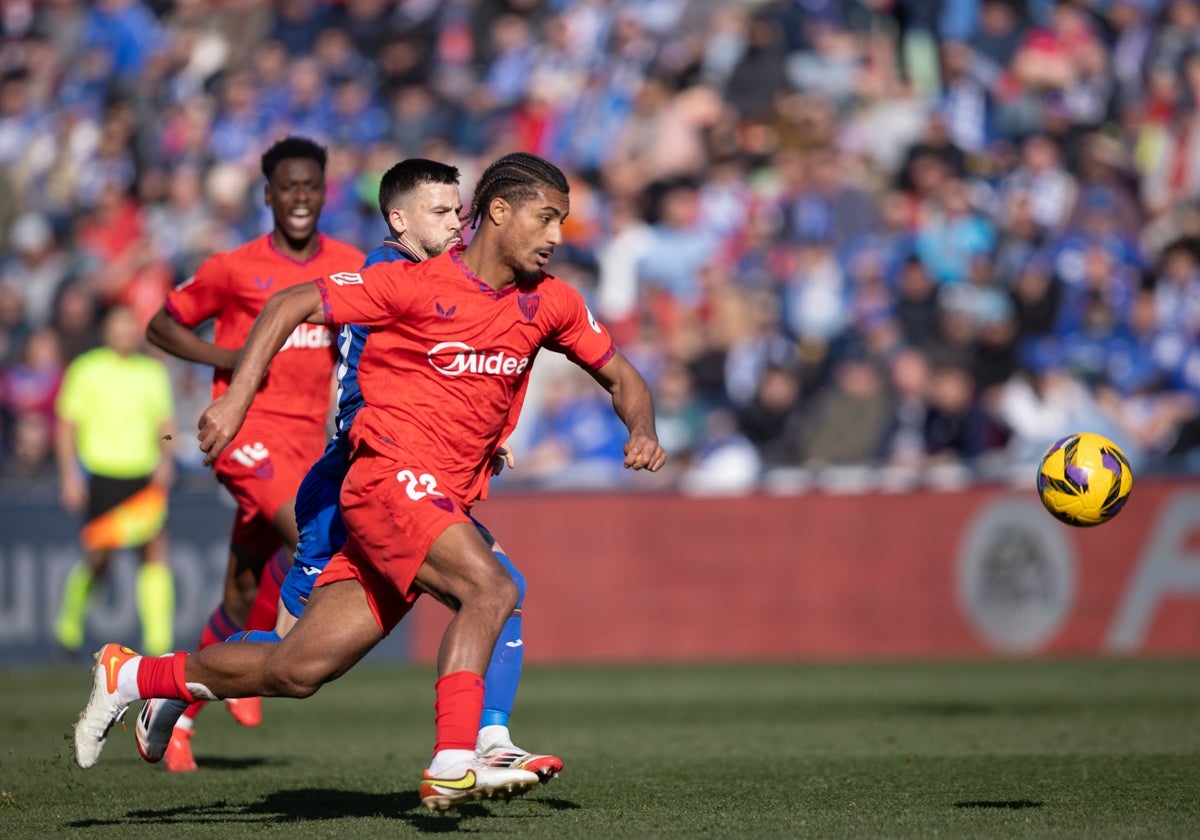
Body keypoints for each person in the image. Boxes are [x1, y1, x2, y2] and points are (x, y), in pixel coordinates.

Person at [74, 151, 667, 811]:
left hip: (433, 496)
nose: (558, 235)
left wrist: (642, 429)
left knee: (296, 668)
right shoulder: (408, 281)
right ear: (499, 213)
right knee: (491, 587)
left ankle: (132, 676)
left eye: (563, 220)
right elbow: (292, 301)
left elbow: (622, 377)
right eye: (546, 217)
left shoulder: (551, 302)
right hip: (379, 477)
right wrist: (236, 400)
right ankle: (460, 756)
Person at [139, 157, 562, 781]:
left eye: (460, 211)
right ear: (400, 220)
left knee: (499, 587)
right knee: (293, 653)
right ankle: (170, 685)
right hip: (353, 475)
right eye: (443, 213)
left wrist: (477, 438)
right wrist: (233, 389)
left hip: (384, 468)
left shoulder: (442, 280)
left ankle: (490, 739)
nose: (458, 225)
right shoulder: (390, 272)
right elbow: (371, 378)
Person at [143, 136, 365, 770]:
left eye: (311, 186)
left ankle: (175, 705)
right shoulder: (232, 268)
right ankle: (267, 655)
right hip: (245, 437)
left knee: (241, 592)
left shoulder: (349, 264)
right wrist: (230, 359)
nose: (300, 198)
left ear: (324, 192)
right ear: (267, 194)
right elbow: (161, 323)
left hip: (309, 447)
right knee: (310, 536)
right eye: (287, 187)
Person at [53, 305, 176, 658]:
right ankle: (68, 625)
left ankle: (158, 642)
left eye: (129, 326)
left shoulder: (152, 372)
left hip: (142, 475)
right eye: (117, 326)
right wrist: (69, 475)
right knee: (99, 559)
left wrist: (166, 457)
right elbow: (66, 427)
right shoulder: (86, 369)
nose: (123, 333)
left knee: (153, 552)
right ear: (106, 331)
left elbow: (165, 429)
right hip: (103, 474)